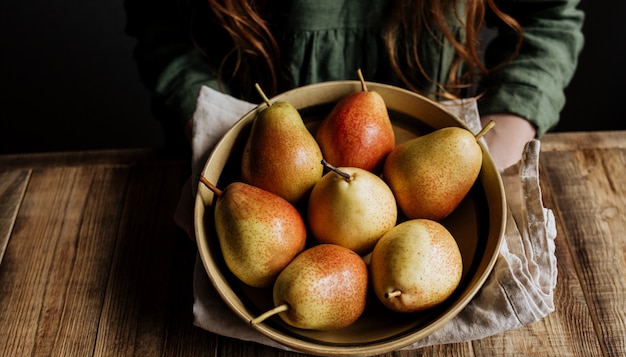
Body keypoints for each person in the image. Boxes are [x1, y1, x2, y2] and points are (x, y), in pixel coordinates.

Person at [125, 0, 584, 236]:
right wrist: (211, 146)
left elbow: (548, 19)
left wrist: (490, 164)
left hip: (437, 203)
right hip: (243, 163)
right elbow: (162, 24)